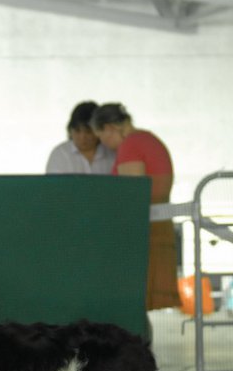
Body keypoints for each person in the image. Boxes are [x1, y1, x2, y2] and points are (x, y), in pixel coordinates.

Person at [90, 102, 181, 311]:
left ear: (110, 128)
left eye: (102, 137)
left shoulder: (132, 145)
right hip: (157, 226)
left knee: (133, 307)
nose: (104, 144)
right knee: (140, 309)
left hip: (142, 232)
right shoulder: (149, 140)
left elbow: (131, 195)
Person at [45, 101, 115, 175]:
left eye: (88, 132)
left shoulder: (111, 153)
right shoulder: (61, 154)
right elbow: (53, 185)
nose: (82, 137)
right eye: (77, 131)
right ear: (70, 130)